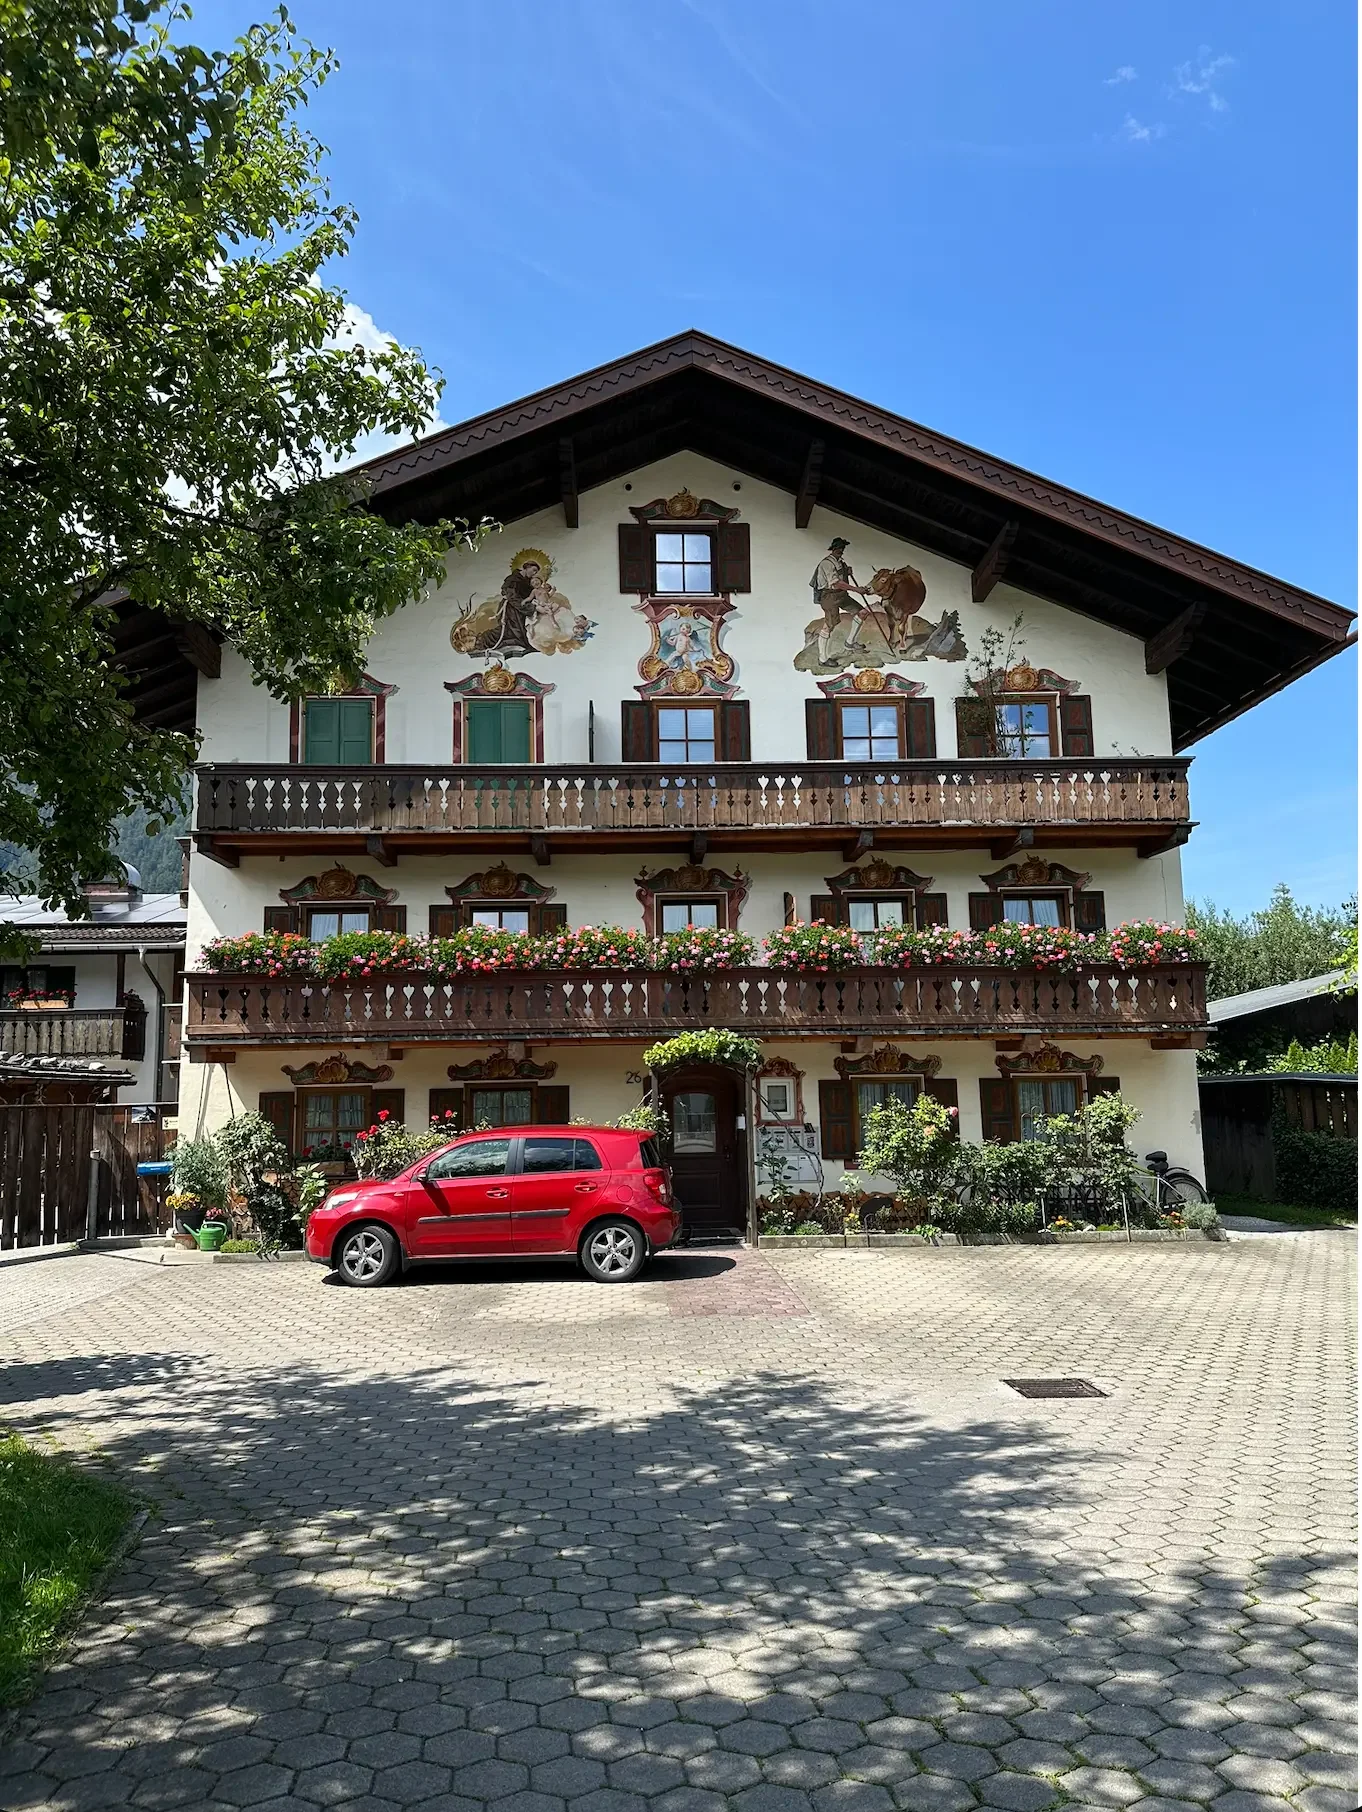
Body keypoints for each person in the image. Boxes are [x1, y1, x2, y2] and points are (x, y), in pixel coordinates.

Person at [809, 537, 872, 666]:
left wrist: (846, 572)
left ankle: (849, 643)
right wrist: (856, 589)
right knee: (829, 625)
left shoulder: (840, 562)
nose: (840, 550)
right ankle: (823, 659)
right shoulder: (826, 563)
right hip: (829, 596)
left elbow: (841, 577)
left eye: (842, 548)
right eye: (838, 548)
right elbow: (836, 583)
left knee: (863, 612)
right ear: (833, 548)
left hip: (841, 595)